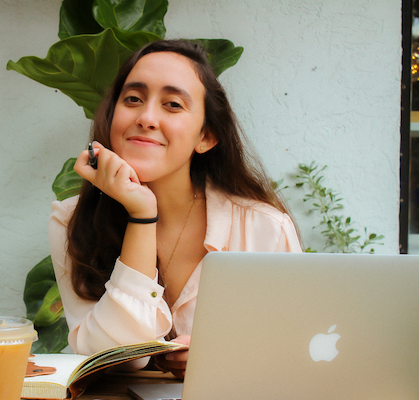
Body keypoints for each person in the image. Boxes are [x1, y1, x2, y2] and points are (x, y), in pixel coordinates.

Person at [48, 39, 302, 379]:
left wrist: (226, 359)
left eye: (172, 104)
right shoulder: (70, 220)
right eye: (133, 99)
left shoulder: (265, 229)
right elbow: (109, 360)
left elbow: (298, 357)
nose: (147, 118)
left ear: (207, 137)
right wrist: (141, 214)